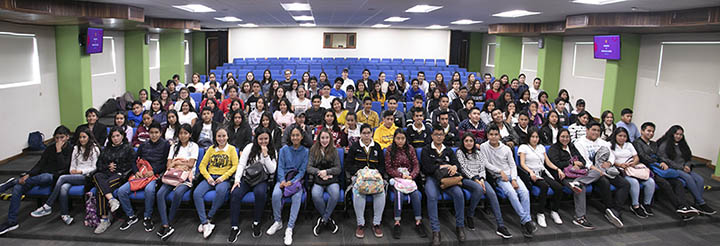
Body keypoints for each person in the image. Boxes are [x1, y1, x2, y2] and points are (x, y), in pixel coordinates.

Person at [0, 126, 72, 235]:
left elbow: (63, 166)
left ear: (67, 137)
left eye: (62, 137)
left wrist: (59, 151)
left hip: (56, 177)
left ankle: (13, 181)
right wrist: (29, 174)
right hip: (39, 176)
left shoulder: (71, 149)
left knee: (45, 177)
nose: (59, 140)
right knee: (17, 189)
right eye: (57, 138)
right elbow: (40, 164)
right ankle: (12, 221)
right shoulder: (49, 149)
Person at [30, 127, 98, 225]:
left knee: (62, 178)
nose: (82, 139)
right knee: (63, 188)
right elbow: (72, 164)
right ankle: (65, 214)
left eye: (84, 137)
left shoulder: (94, 149)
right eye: (80, 137)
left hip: (86, 176)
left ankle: (48, 205)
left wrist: (80, 171)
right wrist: (72, 170)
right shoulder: (76, 148)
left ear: (89, 137)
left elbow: (94, 167)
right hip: (74, 175)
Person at [633, 122, 700, 220]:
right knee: (665, 183)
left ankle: (685, 206)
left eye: (652, 131)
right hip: (649, 169)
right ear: (642, 131)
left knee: (678, 183)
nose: (651, 133)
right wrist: (657, 162)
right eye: (648, 131)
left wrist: (662, 162)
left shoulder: (654, 143)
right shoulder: (637, 143)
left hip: (659, 167)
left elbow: (660, 156)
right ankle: (680, 207)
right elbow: (643, 157)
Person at [481, 125, 536, 238]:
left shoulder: (506, 148)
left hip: (512, 175)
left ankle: (525, 222)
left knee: (524, 192)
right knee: (512, 193)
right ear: (487, 135)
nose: (494, 137)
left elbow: (512, 165)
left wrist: (514, 179)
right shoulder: (483, 146)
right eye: (491, 134)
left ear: (499, 135)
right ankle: (527, 221)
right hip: (499, 177)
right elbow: (486, 163)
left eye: (496, 134)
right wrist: (500, 171)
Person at [116, 122, 169, 232]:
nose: (153, 135)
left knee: (149, 190)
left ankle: (147, 216)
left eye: (156, 133)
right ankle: (131, 215)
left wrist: (153, 171)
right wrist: (136, 172)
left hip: (154, 174)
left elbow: (165, 163)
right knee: (121, 191)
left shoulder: (165, 145)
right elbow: (134, 160)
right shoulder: (144, 145)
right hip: (141, 173)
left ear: (160, 133)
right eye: (151, 133)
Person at [456, 133, 511, 238]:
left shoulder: (479, 153)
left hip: (480, 178)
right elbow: (463, 168)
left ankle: (500, 225)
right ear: (463, 142)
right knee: (479, 189)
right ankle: (470, 214)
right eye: (466, 141)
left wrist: (481, 178)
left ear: (474, 142)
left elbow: (482, 168)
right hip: (467, 179)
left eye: (471, 141)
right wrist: (475, 179)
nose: (469, 143)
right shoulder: (460, 152)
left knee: (492, 194)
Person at [574, 122, 628, 228]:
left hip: (606, 170)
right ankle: (609, 207)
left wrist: (609, 163)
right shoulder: (579, 143)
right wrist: (595, 169)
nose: (596, 132)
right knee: (604, 182)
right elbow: (584, 160)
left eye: (598, 131)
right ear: (587, 130)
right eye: (593, 130)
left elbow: (611, 155)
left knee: (625, 184)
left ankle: (615, 210)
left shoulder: (604, 142)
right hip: (591, 172)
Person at [228, 127, 278, 242]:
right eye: (261, 139)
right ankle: (234, 226)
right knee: (235, 193)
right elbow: (241, 165)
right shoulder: (249, 147)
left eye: (266, 139)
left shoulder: (272, 150)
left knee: (260, 193)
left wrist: (265, 156)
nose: (263, 141)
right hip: (247, 177)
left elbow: (272, 170)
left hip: (261, 179)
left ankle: (256, 222)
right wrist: (237, 180)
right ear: (256, 139)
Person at [658, 125, 716, 215]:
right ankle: (701, 203)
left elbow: (688, 158)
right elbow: (665, 159)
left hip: (685, 168)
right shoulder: (664, 144)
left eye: (681, 134)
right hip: (674, 168)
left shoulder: (683, 144)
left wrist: (687, 166)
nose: (679, 136)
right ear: (672, 134)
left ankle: (697, 203)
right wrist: (681, 167)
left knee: (700, 179)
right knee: (688, 178)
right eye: (676, 134)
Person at [421, 125, 465, 245]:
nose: (439, 137)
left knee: (459, 194)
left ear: (444, 136)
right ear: (432, 136)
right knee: (432, 196)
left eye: (441, 134)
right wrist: (441, 166)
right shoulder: (426, 149)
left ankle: (460, 226)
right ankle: (436, 231)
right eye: (436, 134)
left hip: (448, 179)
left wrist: (454, 166)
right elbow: (426, 168)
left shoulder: (449, 150)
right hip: (432, 177)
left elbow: (456, 164)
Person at [266, 126, 309, 245]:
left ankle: (290, 228)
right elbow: (280, 167)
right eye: (293, 135)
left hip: (296, 182)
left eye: (297, 135)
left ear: (301, 137)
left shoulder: (305, 151)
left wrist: (293, 181)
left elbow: (302, 171)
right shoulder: (284, 149)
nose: (295, 137)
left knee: (296, 197)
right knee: (275, 194)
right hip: (283, 179)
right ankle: (277, 221)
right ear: (290, 137)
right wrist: (282, 180)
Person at [154, 124, 196, 240]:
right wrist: (181, 164)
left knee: (178, 193)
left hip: (185, 177)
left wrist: (176, 163)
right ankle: (165, 224)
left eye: (185, 133)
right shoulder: (174, 147)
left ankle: (169, 221)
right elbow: (168, 165)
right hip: (172, 176)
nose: (183, 136)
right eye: (181, 133)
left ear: (190, 134)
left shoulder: (194, 146)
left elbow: (191, 164)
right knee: (160, 194)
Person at [546, 128, 595, 229]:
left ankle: (577, 182)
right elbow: (556, 163)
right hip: (564, 175)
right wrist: (571, 163)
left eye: (567, 137)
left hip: (578, 173)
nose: (565, 139)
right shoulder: (554, 148)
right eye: (562, 137)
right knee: (581, 188)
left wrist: (579, 165)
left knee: (597, 173)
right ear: (558, 137)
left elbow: (582, 160)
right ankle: (579, 218)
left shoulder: (572, 146)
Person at [91, 127, 137, 234]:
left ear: (122, 136)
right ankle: (112, 200)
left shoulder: (128, 148)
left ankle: (104, 220)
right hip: (106, 174)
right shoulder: (106, 149)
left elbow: (131, 164)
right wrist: (108, 166)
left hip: (120, 175)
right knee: (97, 176)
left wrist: (116, 167)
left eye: (118, 136)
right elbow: (99, 165)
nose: (115, 138)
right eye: (113, 136)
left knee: (100, 188)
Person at [194, 128, 238, 239]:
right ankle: (205, 223)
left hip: (224, 178)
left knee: (221, 191)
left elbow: (235, 166)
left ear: (228, 136)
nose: (221, 138)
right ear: (215, 137)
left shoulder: (232, 149)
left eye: (224, 136)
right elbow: (202, 165)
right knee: (197, 193)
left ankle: (210, 217)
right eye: (219, 136)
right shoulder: (211, 149)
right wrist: (208, 177)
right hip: (211, 177)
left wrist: (223, 177)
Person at [345, 124, 386, 239]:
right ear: (360, 134)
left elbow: (382, 165)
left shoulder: (377, 146)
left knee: (380, 192)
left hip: (374, 177)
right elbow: (348, 164)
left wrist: (378, 173)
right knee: (358, 192)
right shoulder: (354, 147)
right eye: (364, 133)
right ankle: (360, 224)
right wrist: (358, 172)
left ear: (372, 133)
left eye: (368, 133)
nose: (366, 135)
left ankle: (376, 223)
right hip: (359, 177)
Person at [384, 129, 427, 239]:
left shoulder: (410, 149)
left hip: (408, 178)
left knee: (416, 194)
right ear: (394, 139)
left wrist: (411, 176)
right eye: (398, 138)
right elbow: (388, 168)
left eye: (402, 138)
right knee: (399, 194)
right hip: (397, 178)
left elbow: (416, 165)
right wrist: (400, 175)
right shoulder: (389, 150)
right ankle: (397, 223)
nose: (400, 141)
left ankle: (418, 221)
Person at [518, 129, 564, 228]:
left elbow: (547, 162)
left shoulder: (541, 147)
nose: (535, 139)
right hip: (531, 173)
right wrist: (530, 172)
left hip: (542, 172)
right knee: (544, 186)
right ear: (529, 137)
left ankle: (554, 211)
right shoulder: (524, 147)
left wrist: (558, 169)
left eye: (537, 137)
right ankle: (540, 213)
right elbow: (522, 163)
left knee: (559, 187)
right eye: (533, 137)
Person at [608, 127, 655, 218]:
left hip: (633, 167)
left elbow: (636, 156)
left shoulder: (629, 144)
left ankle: (646, 205)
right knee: (634, 182)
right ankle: (635, 205)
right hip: (621, 169)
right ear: (615, 136)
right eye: (620, 136)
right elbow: (609, 159)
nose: (622, 138)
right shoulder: (610, 145)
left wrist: (634, 163)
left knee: (650, 182)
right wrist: (620, 165)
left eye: (624, 136)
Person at [306, 129, 342, 237]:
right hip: (319, 178)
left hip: (331, 179)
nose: (325, 140)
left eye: (327, 138)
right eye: (322, 138)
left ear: (330, 139)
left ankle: (323, 220)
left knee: (335, 194)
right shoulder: (313, 149)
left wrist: (327, 172)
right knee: (315, 195)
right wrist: (319, 172)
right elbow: (308, 167)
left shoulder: (334, 150)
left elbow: (338, 168)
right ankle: (328, 219)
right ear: (318, 139)